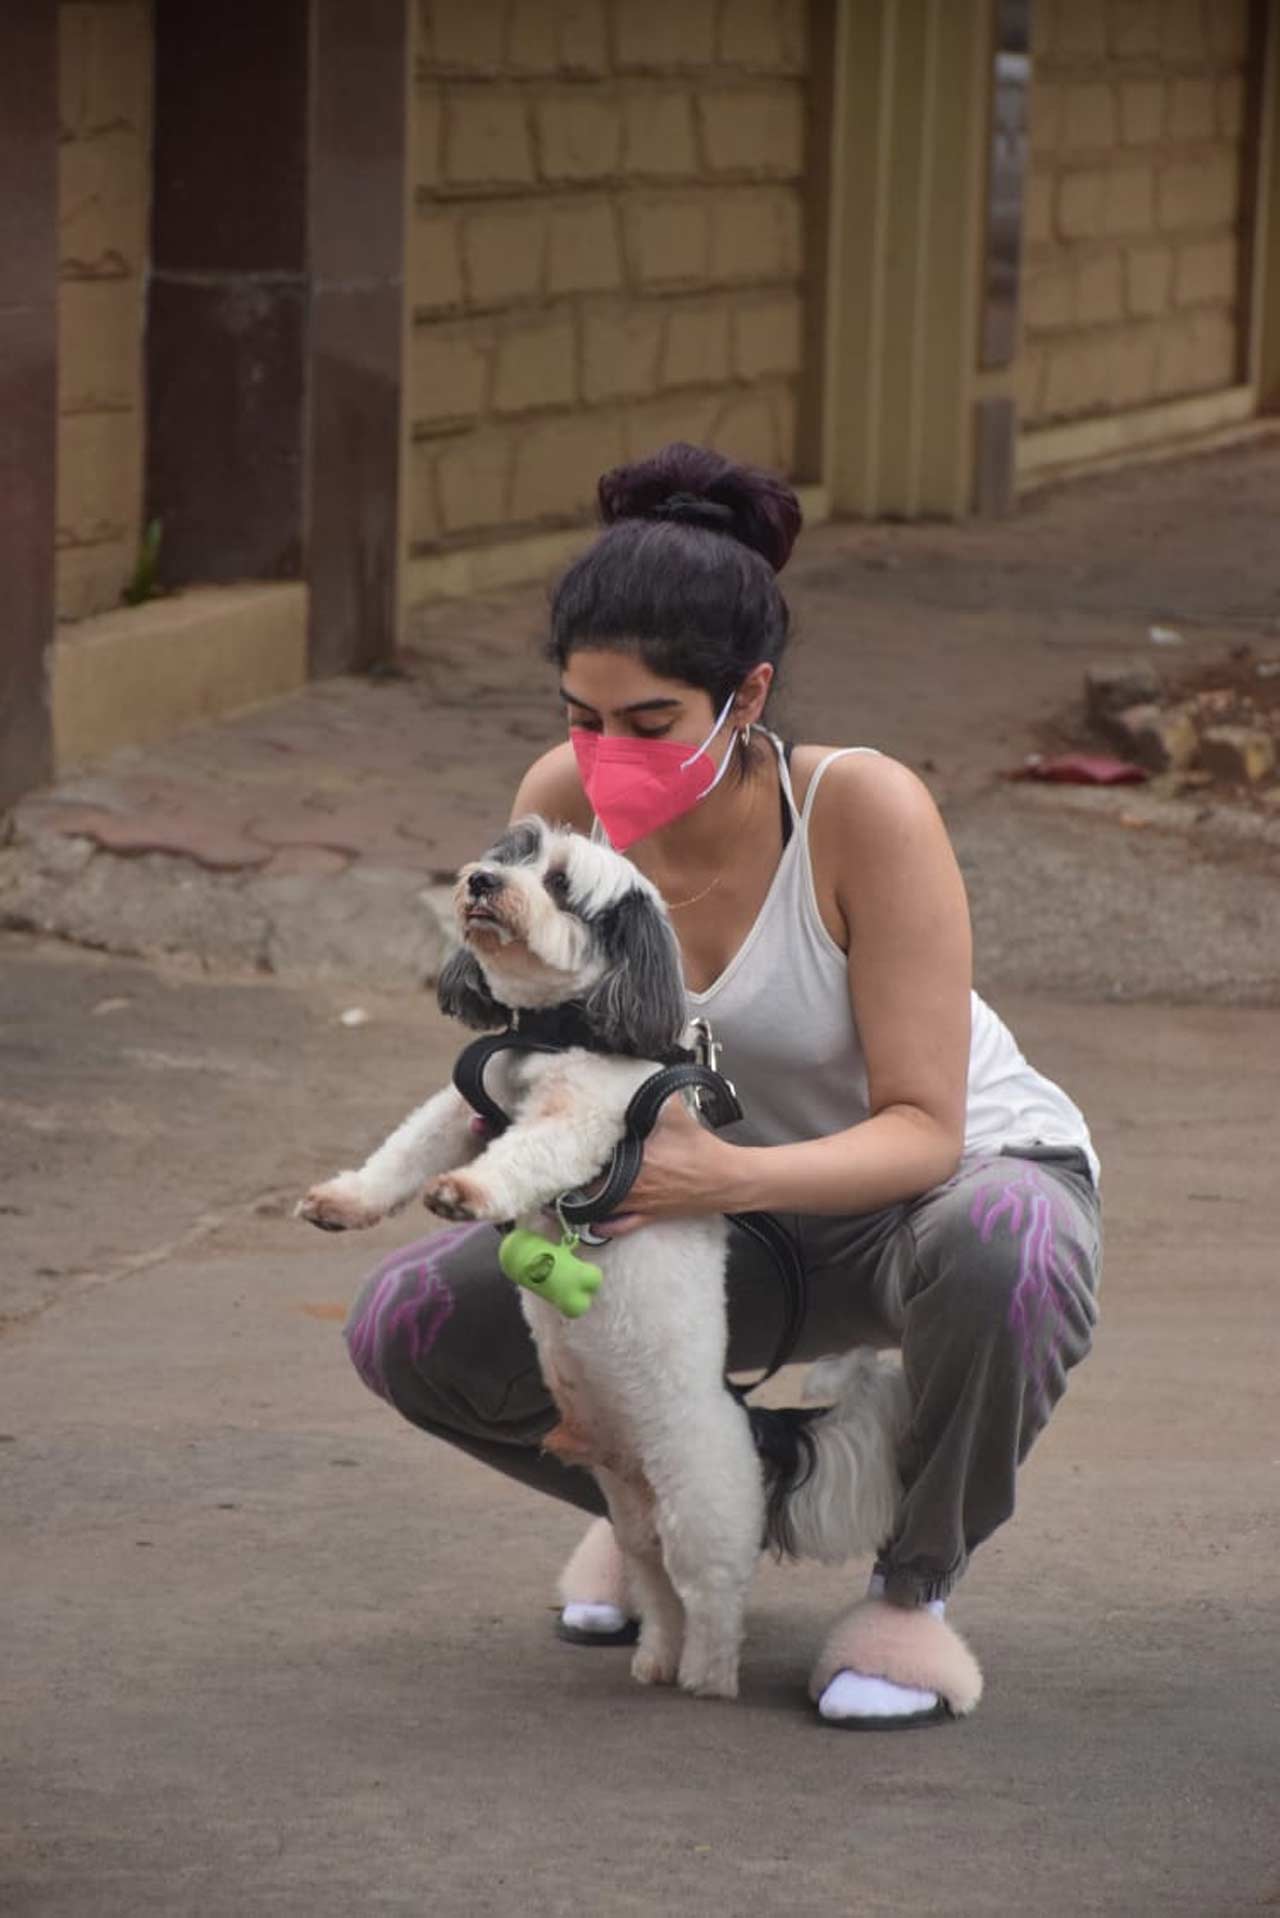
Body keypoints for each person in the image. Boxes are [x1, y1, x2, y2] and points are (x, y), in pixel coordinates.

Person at [344, 443, 1101, 1730]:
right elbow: (535, 1037)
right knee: (409, 1326)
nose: (604, 757)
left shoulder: (861, 808)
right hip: (692, 1225)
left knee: (1008, 1248)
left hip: (916, 1196)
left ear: (744, 694)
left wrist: (724, 1172)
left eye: (648, 723)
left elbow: (924, 1129)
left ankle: (910, 1592)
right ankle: (672, 1508)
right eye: (582, 717)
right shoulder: (557, 801)